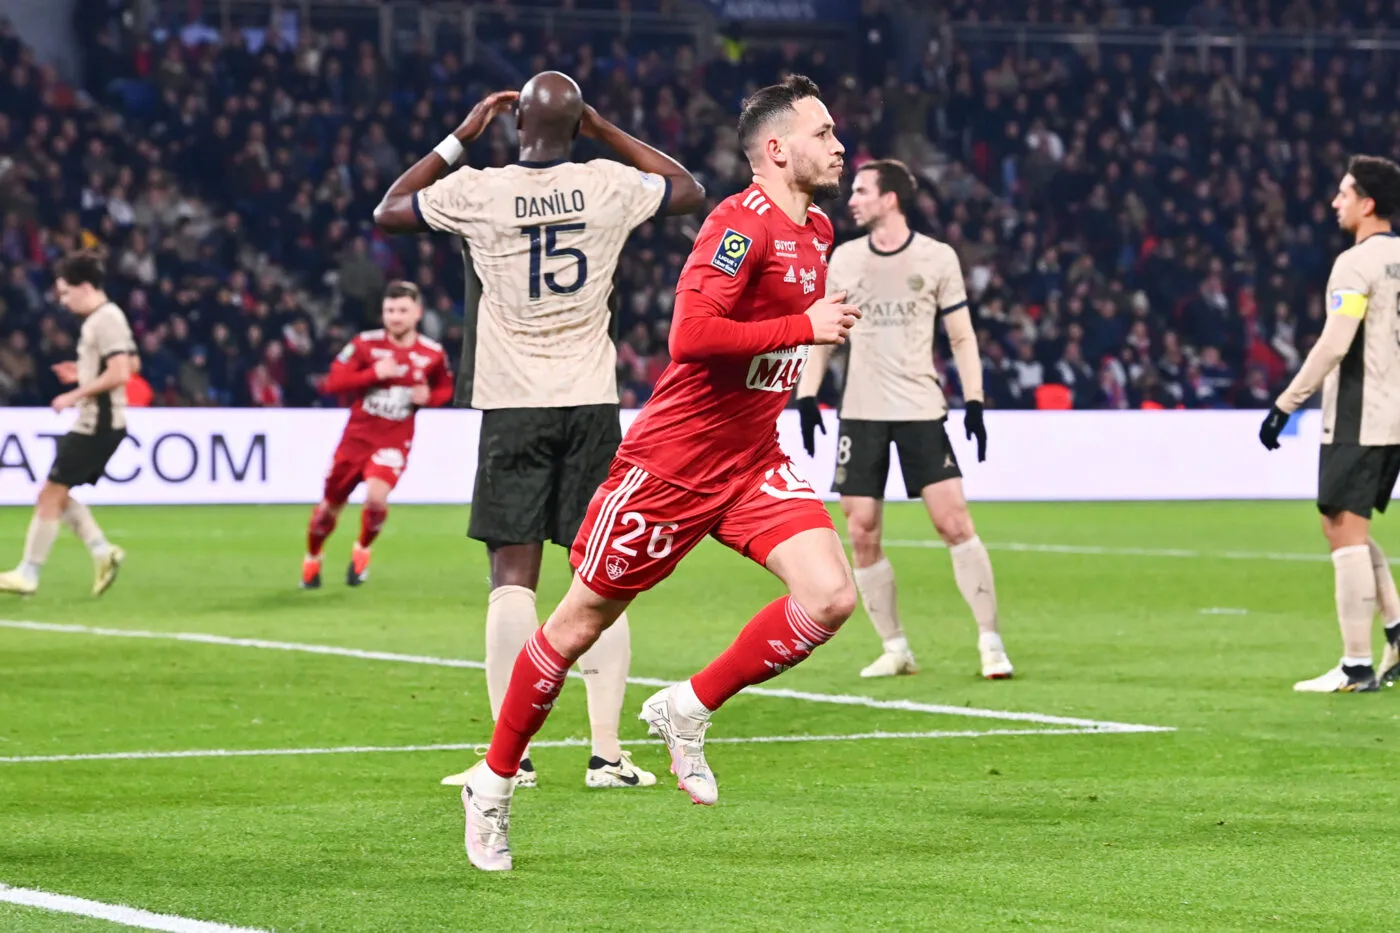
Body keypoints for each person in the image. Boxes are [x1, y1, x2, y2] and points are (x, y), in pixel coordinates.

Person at [453, 73, 861, 872]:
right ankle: (493, 784)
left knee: (831, 595)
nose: (838, 143)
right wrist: (803, 326)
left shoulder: (814, 232)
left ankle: (687, 705)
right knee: (574, 627)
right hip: (669, 469)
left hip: (751, 460)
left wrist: (799, 335)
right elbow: (691, 335)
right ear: (775, 150)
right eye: (822, 132)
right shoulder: (737, 227)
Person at [373, 72, 706, 789]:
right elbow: (687, 189)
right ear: (576, 121)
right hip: (589, 401)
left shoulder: (478, 189)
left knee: (510, 579)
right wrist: (604, 127)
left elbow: (390, 208)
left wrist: (462, 136)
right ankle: (608, 754)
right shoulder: (608, 184)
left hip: (512, 400)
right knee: (600, 575)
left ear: (515, 120)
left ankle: (511, 756)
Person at [795, 159, 1013, 680]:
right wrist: (806, 396)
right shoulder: (843, 260)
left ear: (889, 198)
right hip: (862, 412)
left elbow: (961, 336)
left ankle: (990, 641)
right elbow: (825, 330)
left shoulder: (937, 257)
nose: (852, 200)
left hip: (920, 408)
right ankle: (895, 648)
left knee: (953, 522)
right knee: (862, 530)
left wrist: (976, 400)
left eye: (863, 191)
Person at [1259, 155, 1400, 693]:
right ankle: (1396, 638)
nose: (1334, 202)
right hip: (1394, 415)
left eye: (1344, 193)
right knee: (1353, 526)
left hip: (1360, 416)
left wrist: (1286, 403)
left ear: (1367, 204)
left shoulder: (1354, 264)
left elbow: (1335, 343)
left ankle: (1356, 665)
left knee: (1341, 528)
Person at [302, 281, 452, 588]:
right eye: (390, 310)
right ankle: (313, 557)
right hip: (355, 439)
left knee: (375, 499)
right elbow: (332, 382)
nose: (395, 316)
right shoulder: (364, 345)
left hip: (393, 440)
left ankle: (362, 549)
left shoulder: (432, 353)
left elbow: (445, 388)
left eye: (402, 310)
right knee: (329, 507)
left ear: (417, 313)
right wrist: (373, 374)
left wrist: (430, 398)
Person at [0, 250, 131, 597]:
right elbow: (121, 364)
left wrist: (75, 394)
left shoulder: (106, 319)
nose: (63, 300)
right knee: (56, 493)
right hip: (98, 421)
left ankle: (28, 573)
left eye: (66, 292)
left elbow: (123, 370)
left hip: (97, 424)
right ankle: (103, 552)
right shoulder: (102, 319)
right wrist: (83, 374)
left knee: (49, 494)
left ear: (86, 287)